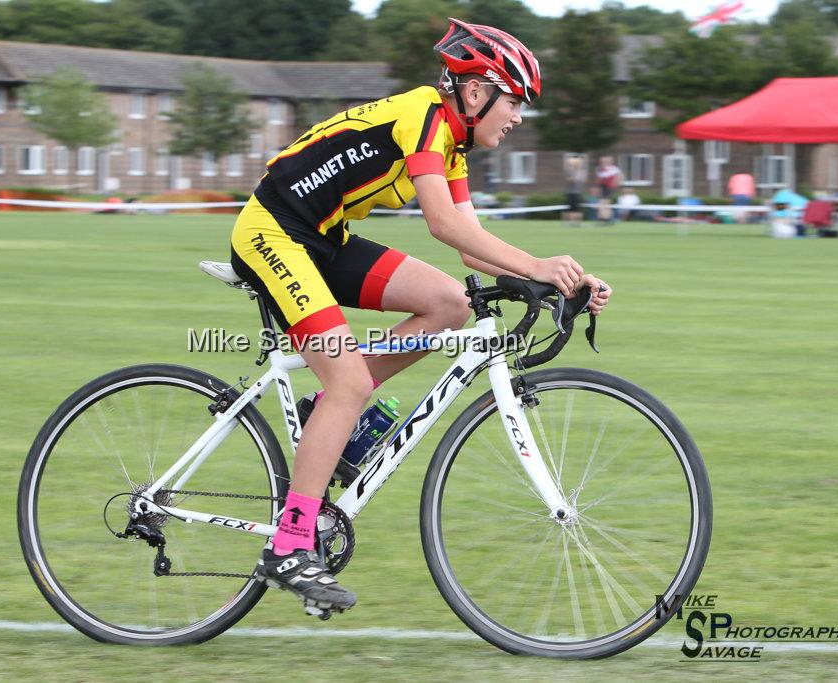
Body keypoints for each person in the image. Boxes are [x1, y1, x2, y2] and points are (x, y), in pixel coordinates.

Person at [229, 17, 611, 616]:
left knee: (450, 303)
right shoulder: (425, 118)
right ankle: (290, 543)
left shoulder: (452, 142)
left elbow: (468, 244)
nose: (518, 118)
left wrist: (563, 280)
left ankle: (331, 414)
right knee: (349, 382)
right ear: (476, 92)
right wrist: (538, 263)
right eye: (514, 102)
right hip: (273, 233)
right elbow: (442, 224)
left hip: (324, 237)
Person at [595, 156, 622, 224]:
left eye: (606, 161)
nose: (604, 162)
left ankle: (606, 219)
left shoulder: (614, 169)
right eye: (603, 161)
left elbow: (619, 177)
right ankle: (604, 218)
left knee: (604, 203)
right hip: (602, 187)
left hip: (608, 188)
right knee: (602, 204)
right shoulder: (600, 168)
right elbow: (599, 179)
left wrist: (615, 184)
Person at [563, 156, 586, 225]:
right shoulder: (570, 171)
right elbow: (569, 180)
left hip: (578, 192)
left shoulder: (580, 172)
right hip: (571, 192)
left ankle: (578, 222)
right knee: (572, 208)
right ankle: (571, 221)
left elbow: (581, 180)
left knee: (578, 208)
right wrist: (574, 177)